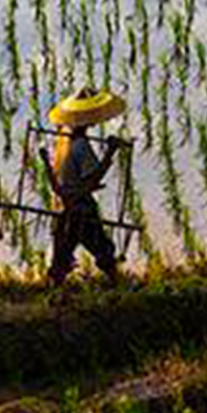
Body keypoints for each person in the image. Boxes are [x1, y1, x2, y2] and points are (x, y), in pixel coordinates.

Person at [40, 89, 123, 285]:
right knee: (103, 249)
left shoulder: (62, 142)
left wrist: (45, 162)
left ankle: (53, 294)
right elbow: (92, 180)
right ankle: (119, 288)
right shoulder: (81, 145)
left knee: (61, 256)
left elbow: (56, 183)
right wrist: (110, 152)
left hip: (61, 207)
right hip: (81, 208)